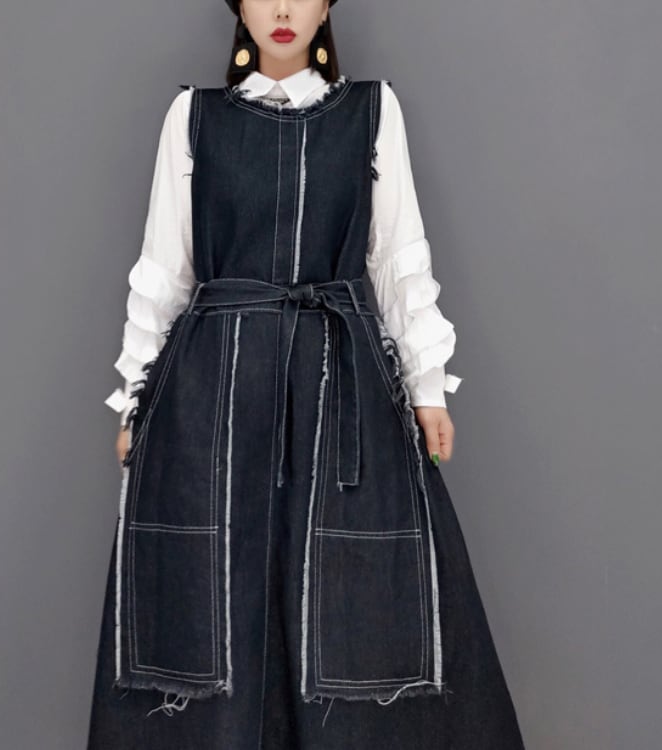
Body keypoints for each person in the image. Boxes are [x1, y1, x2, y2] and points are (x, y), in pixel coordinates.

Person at [87, 1, 526, 747]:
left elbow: (397, 255)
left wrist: (428, 387)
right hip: (214, 392)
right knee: (215, 591)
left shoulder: (371, 112)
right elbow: (164, 267)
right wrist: (134, 398)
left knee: (351, 591)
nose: (283, 9)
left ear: (327, 6)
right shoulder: (192, 118)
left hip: (340, 379)